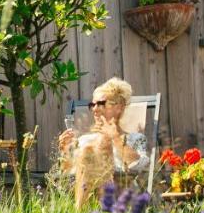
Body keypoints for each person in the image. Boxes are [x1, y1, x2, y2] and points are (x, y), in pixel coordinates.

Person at [58, 77, 148, 206]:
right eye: (92, 105)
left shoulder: (135, 139)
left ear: (119, 107)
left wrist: (114, 137)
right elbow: (66, 174)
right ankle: (83, 212)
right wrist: (65, 150)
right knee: (89, 149)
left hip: (120, 195)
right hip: (85, 195)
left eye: (100, 103)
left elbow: (139, 165)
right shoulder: (84, 140)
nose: (94, 109)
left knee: (98, 145)